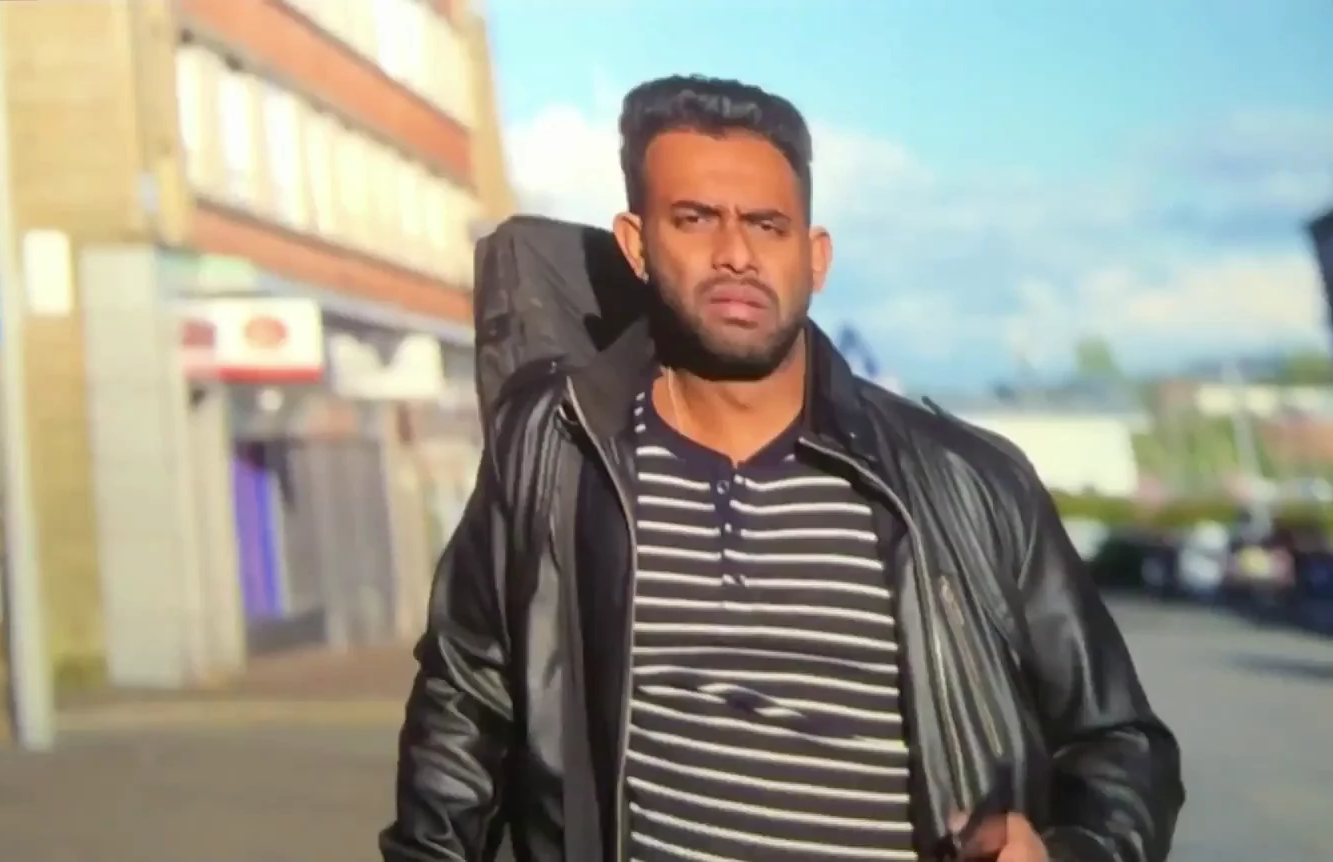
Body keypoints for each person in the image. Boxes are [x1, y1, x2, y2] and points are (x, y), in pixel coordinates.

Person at [379, 75, 1182, 862]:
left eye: (767, 225)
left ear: (815, 256)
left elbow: (1122, 744)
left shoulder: (968, 483)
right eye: (695, 219)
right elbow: (463, 707)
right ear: (636, 244)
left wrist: (1070, 852)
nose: (735, 254)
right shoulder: (557, 452)